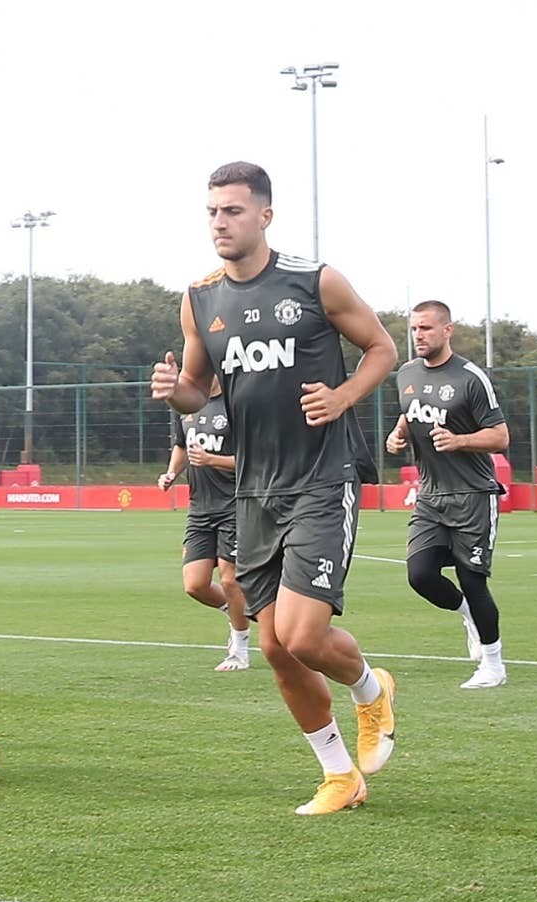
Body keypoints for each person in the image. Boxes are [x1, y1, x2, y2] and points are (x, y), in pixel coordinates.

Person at [151, 162, 400, 815]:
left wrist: (341, 396)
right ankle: (340, 776)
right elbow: (197, 389)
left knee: (303, 637)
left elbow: (381, 348)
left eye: (233, 210)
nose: (220, 222)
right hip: (252, 490)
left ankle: (371, 691)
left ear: (264, 215)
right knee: (273, 646)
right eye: (212, 211)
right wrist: (173, 391)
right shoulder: (199, 298)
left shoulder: (314, 281)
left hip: (321, 476)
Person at [386, 300, 509, 688]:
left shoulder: (470, 378)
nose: (418, 335)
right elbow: (410, 410)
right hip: (430, 497)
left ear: (447, 330)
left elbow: (501, 437)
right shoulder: (407, 373)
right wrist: (398, 433)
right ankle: (467, 613)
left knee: (473, 580)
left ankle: (494, 665)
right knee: (420, 575)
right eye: (414, 329)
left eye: (425, 328)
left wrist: (460, 440)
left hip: (473, 495)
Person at [157, 375, 251, 671]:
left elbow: (254, 459)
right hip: (200, 508)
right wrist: (171, 473)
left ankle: (240, 649)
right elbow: (181, 445)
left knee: (229, 579)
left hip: (234, 504)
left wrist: (211, 460)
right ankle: (236, 610)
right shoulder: (186, 406)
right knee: (195, 584)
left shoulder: (235, 404)